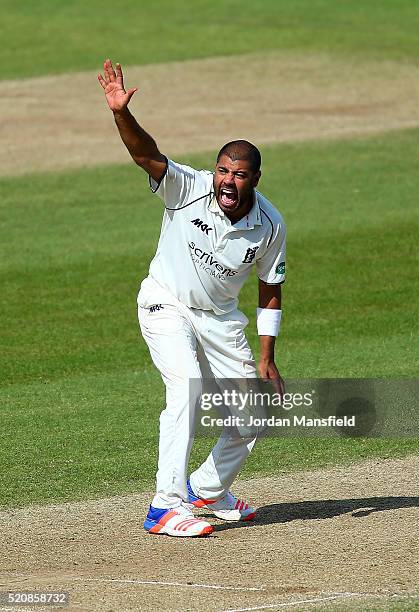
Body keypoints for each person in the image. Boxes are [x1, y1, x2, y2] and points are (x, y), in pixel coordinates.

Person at [98, 59, 286, 537]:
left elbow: (270, 287)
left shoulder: (270, 225)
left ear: (255, 179)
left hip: (220, 318)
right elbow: (147, 154)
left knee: (255, 414)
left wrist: (267, 356)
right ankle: (165, 505)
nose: (228, 180)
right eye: (223, 169)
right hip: (166, 303)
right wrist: (121, 113)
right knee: (185, 389)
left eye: (240, 174)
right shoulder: (188, 189)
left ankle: (208, 486)